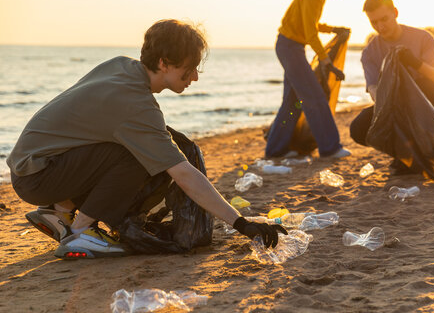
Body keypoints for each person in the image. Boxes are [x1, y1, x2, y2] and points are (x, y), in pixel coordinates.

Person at [8, 19, 286, 259]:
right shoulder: (137, 106)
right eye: (188, 69)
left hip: (35, 167)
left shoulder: (121, 67)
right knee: (137, 155)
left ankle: (61, 211)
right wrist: (240, 223)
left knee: (142, 145)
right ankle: (80, 231)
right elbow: (185, 175)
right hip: (38, 176)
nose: (195, 77)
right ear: (164, 63)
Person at [350, 0, 434, 174]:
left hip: (426, 105)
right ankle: (405, 153)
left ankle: (428, 146)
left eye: (384, 19)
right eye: (374, 22)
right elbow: (373, 89)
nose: (380, 26)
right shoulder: (370, 52)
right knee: (358, 128)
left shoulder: (423, 38)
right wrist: (387, 96)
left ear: (395, 12)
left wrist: (416, 63)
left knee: (427, 86)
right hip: (393, 109)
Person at [265, 0, 351, 159]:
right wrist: (326, 61)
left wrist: (333, 29)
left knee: (292, 101)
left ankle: (275, 150)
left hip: (291, 47)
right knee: (315, 96)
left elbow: (311, 24)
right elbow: (311, 34)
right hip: (290, 47)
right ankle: (330, 148)